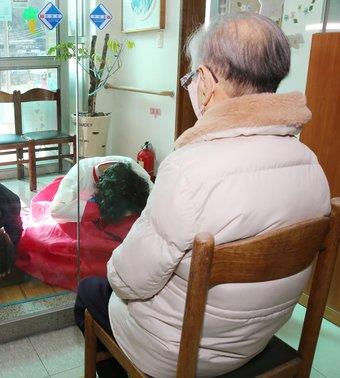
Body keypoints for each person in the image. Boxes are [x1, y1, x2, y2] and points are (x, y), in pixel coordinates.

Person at [74, 12, 330, 377]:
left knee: (90, 291)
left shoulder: (189, 170)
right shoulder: (310, 165)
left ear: (207, 83)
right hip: (255, 341)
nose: (192, 87)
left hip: (179, 355)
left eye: (192, 77)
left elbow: (128, 279)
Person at [50, 156, 153, 223]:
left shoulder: (135, 170)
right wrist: (98, 209)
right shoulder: (79, 174)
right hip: (85, 200)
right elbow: (56, 211)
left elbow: (156, 198)